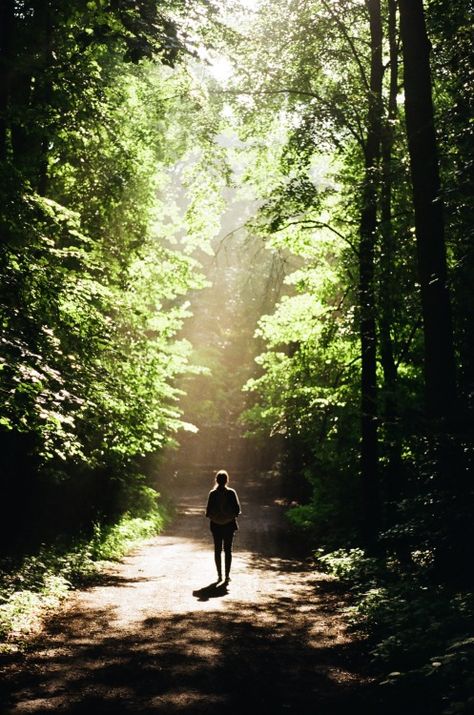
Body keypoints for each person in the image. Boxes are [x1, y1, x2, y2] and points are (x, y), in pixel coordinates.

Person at [206, 469, 241, 584]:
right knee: (228, 551)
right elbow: (237, 510)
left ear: (216, 480)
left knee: (217, 550)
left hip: (216, 526)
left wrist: (217, 517)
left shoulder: (212, 493)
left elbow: (208, 512)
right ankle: (227, 576)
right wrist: (227, 516)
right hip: (229, 525)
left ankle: (219, 575)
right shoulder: (231, 493)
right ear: (227, 480)